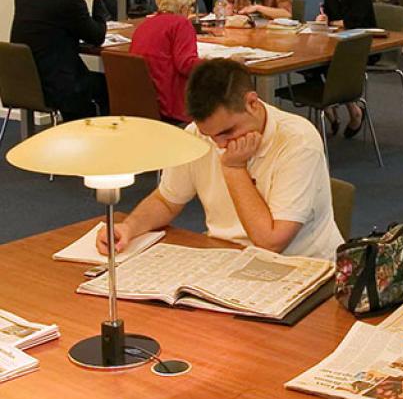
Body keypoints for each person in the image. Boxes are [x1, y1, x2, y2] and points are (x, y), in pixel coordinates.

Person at [96, 59, 343, 260]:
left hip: (301, 270)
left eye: (227, 132)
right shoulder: (198, 135)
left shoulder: (298, 140)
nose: (220, 144)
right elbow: (167, 201)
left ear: (252, 103)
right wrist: (128, 228)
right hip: (227, 260)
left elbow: (270, 242)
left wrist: (234, 168)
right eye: (210, 135)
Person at [10, 0, 109, 121]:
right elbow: (97, 36)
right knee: (107, 85)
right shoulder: (70, 2)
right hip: (59, 87)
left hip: (24, 83)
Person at [313, 0, 378, 138]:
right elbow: (330, 12)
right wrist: (324, 17)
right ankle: (328, 106)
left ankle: (352, 109)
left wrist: (335, 23)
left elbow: (358, 19)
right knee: (310, 66)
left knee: (335, 65)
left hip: (363, 44)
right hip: (333, 40)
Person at [130, 0, 199, 123]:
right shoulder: (181, 24)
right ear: (183, 7)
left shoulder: (144, 25)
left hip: (144, 104)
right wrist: (219, 64)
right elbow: (186, 65)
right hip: (170, 106)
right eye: (191, 5)